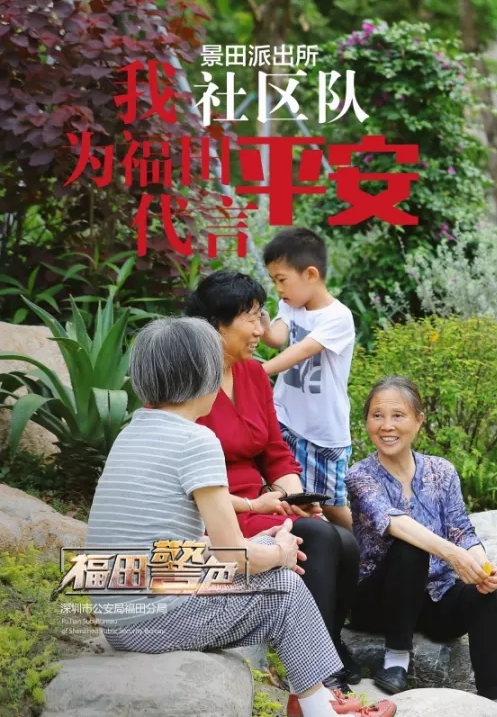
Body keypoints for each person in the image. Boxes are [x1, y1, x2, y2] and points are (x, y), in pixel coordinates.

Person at [84, 317, 395, 717]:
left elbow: (179, 545)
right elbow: (233, 556)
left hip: (123, 608)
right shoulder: (197, 440)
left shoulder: (132, 431)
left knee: (266, 545)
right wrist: (280, 553)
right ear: (204, 375)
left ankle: (311, 697)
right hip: (150, 619)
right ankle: (318, 708)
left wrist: (264, 536)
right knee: (284, 587)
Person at [184, 271, 364, 693]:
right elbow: (185, 475)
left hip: (263, 502)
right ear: (216, 324)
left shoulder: (252, 375)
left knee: (346, 542)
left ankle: (327, 645)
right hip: (217, 510)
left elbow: (274, 452)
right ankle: (316, 674)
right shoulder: (187, 381)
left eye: (261, 315)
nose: (261, 330)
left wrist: (293, 495)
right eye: (250, 318)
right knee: (318, 538)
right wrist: (261, 504)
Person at [344, 376, 497, 702]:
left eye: (398, 415)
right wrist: (452, 554)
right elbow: (393, 522)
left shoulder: (441, 471)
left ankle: (495, 699)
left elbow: (462, 531)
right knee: (411, 546)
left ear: (419, 420)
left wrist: (483, 569)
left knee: (485, 595)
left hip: (434, 600)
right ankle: (396, 659)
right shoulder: (360, 476)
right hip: (379, 602)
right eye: (377, 416)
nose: (386, 426)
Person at [257, 227, 357, 531]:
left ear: (310, 274)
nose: (278, 289)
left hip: (322, 433)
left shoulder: (338, 317)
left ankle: (369, 549)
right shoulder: (290, 306)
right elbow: (277, 339)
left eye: (282, 279)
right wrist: (260, 319)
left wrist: (256, 373)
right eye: (274, 281)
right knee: (290, 498)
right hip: (285, 420)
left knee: (332, 505)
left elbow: (301, 351)